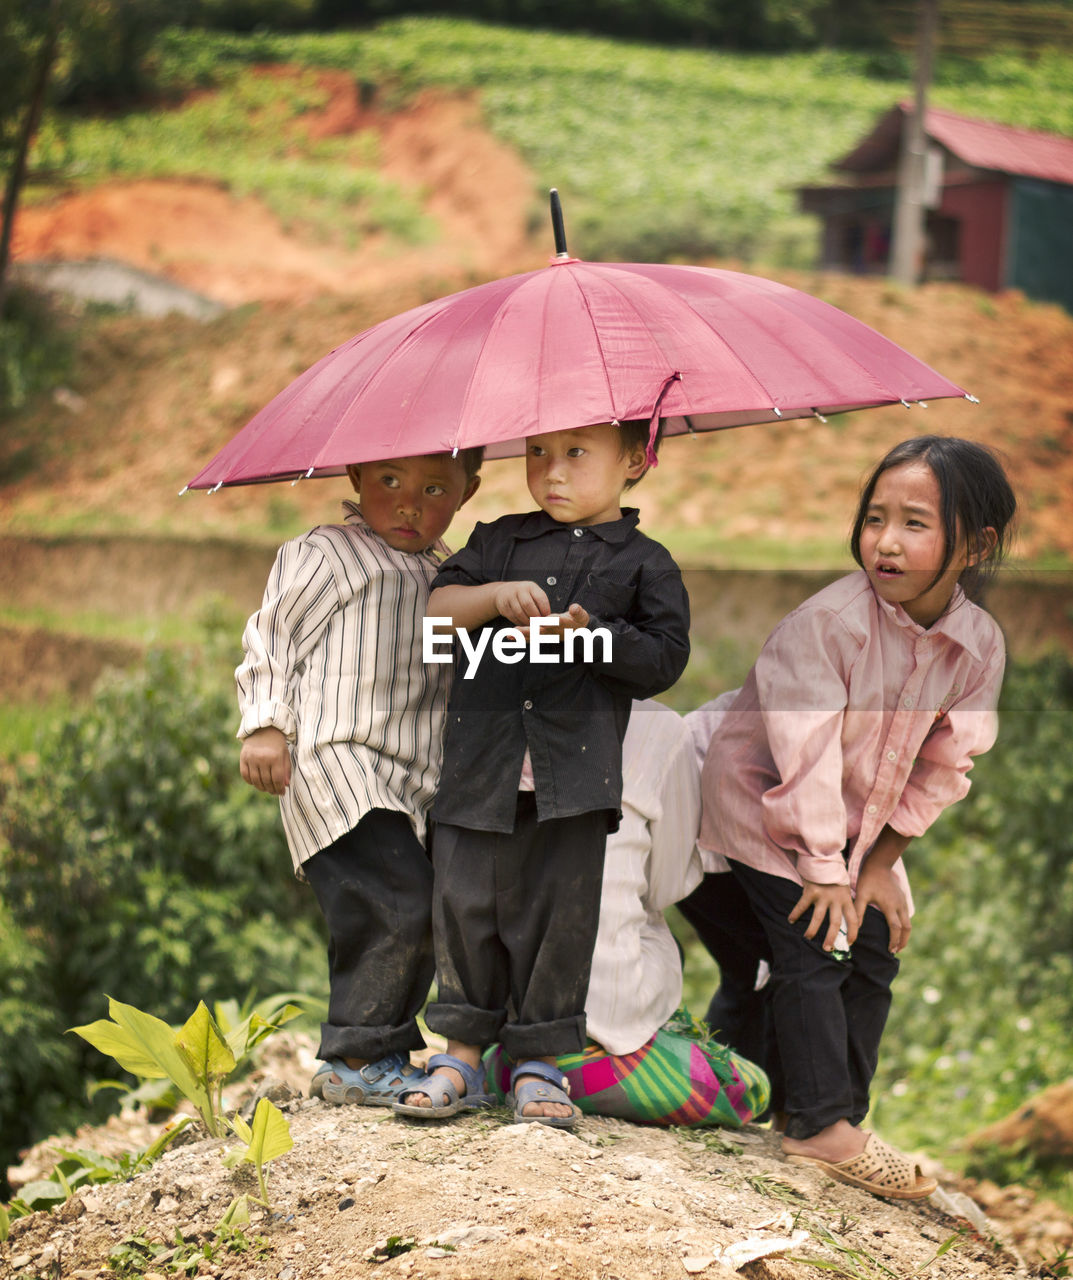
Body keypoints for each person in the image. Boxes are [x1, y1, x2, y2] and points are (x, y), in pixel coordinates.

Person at [697, 435, 1016, 1199]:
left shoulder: (975, 645)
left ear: (976, 545)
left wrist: (876, 867)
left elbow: (945, 763)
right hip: (759, 808)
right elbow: (802, 760)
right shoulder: (827, 625)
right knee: (815, 944)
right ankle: (818, 1126)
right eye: (874, 518)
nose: (885, 542)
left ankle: (792, 1102)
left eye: (914, 523)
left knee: (870, 945)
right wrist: (826, 869)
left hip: (844, 832)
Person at [394, 417, 691, 1127]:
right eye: (537, 453)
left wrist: (590, 635)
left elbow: (663, 662)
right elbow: (435, 623)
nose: (551, 470)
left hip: (574, 778)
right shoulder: (498, 540)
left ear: (633, 462)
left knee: (556, 919)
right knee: (465, 905)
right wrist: (493, 599)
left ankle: (537, 1061)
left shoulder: (648, 563)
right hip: (480, 768)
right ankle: (460, 1054)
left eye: (576, 454)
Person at [236, 449, 482, 1106]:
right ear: (355, 480)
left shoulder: (446, 575)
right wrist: (265, 723)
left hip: (409, 783)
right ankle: (352, 1056)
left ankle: (383, 1050)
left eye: (434, 488)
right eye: (389, 482)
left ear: (468, 491)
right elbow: (272, 638)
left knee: (425, 904)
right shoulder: (328, 553)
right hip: (336, 763)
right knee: (395, 899)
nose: (409, 504)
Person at [483, 698, 771, 1128]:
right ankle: (595, 1062)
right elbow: (670, 884)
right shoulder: (659, 725)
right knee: (750, 1085)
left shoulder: (494, 708)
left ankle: (510, 1068)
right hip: (605, 1029)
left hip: (502, 1031)